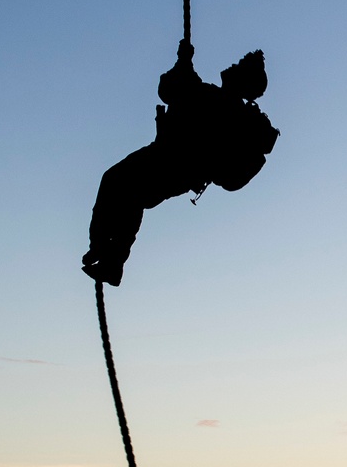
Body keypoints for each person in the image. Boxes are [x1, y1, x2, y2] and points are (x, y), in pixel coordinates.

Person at [82, 40, 279, 286]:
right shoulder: (215, 99)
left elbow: (172, 89)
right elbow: (174, 89)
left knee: (121, 187)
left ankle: (105, 253)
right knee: (129, 194)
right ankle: (108, 257)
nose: (231, 66)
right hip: (173, 163)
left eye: (238, 66)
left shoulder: (220, 105)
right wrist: (183, 62)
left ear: (243, 80)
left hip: (173, 163)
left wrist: (183, 62)